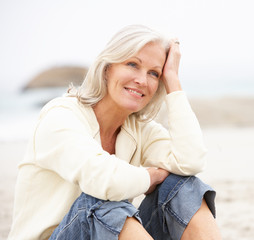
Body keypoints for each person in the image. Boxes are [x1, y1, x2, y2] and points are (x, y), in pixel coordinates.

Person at [8, 25, 221, 240]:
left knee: (182, 185)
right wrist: (151, 176)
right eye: (132, 64)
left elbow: (190, 160)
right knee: (101, 205)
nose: (142, 80)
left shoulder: (139, 129)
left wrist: (173, 80)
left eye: (154, 73)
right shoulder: (60, 116)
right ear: (107, 68)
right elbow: (105, 181)